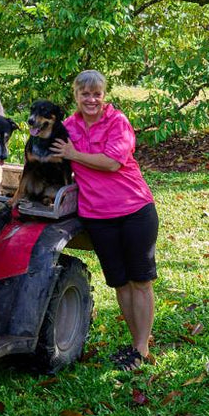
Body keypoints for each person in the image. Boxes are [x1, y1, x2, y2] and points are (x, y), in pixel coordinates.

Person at [51, 70, 159, 372]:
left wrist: (74, 152)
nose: (91, 99)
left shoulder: (117, 122)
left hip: (134, 210)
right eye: (85, 94)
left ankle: (141, 348)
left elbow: (112, 162)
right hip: (97, 216)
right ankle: (135, 342)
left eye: (97, 93)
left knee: (140, 279)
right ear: (75, 95)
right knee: (120, 282)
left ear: (104, 95)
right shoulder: (68, 127)